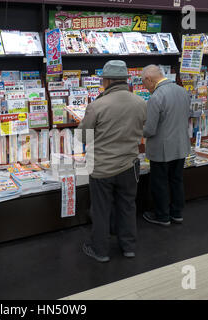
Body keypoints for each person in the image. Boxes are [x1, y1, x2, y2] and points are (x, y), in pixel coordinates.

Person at [79, 60, 147, 263]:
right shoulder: (141, 102)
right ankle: (129, 247)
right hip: (129, 165)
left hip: (102, 167)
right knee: (127, 206)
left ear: (106, 81)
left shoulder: (97, 105)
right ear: (126, 79)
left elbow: (83, 137)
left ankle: (100, 250)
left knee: (101, 209)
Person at [141, 65, 191, 226]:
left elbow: (149, 130)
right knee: (176, 180)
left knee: (160, 182)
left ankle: (162, 216)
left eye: (144, 83)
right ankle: (177, 213)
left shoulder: (156, 97)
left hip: (161, 149)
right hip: (181, 145)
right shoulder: (182, 91)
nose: (144, 87)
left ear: (149, 79)